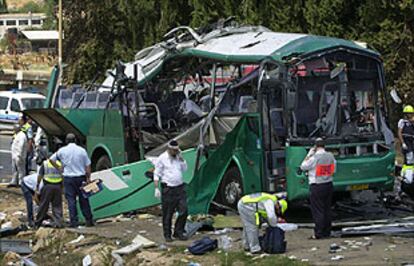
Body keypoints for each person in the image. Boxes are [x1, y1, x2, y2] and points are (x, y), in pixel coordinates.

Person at [49, 133, 94, 227]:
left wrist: (59, 168)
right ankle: (89, 220)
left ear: (66, 141)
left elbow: (51, 159)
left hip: (68, 178)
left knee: (71, 200)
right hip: (81, 178)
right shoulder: (82, 151)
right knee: (84, 200)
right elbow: (88, 165)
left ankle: (74, 222)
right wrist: (88, 178)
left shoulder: (62, 151)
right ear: (75, 140)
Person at [300, 137, 336, 239]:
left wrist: (309, 154)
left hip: (317, 185)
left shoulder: (314, 157)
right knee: (327, 209)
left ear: (315, 146)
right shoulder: (330, 156)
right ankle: (327, 232)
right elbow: (334, 169)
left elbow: (303, 166)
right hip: (328, 184)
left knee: (318, 210)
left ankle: (319, 233)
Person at [153, 140, 188, 242]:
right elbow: (157, 173)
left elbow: (184, 169)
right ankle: (167, 234)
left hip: (179, 187)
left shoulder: (178, 157)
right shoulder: (162, 158)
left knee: (184, 210)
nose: (176, 152)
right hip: (168, 188)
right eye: (174, 151)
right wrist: (156, 187)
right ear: (169, 149)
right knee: (168, 213)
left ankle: (178, 231)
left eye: (177, 150)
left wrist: (182, 159)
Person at [34, 157, 64, 229]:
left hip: (48, 186)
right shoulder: (60, 164)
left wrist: (38, 186)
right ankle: (58, 223)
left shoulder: (45, 163)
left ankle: (38, 223)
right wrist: (62, 187)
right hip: (58, 186)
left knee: (43, 205)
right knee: (57, 205)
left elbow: (40, 175)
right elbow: (63, 176)